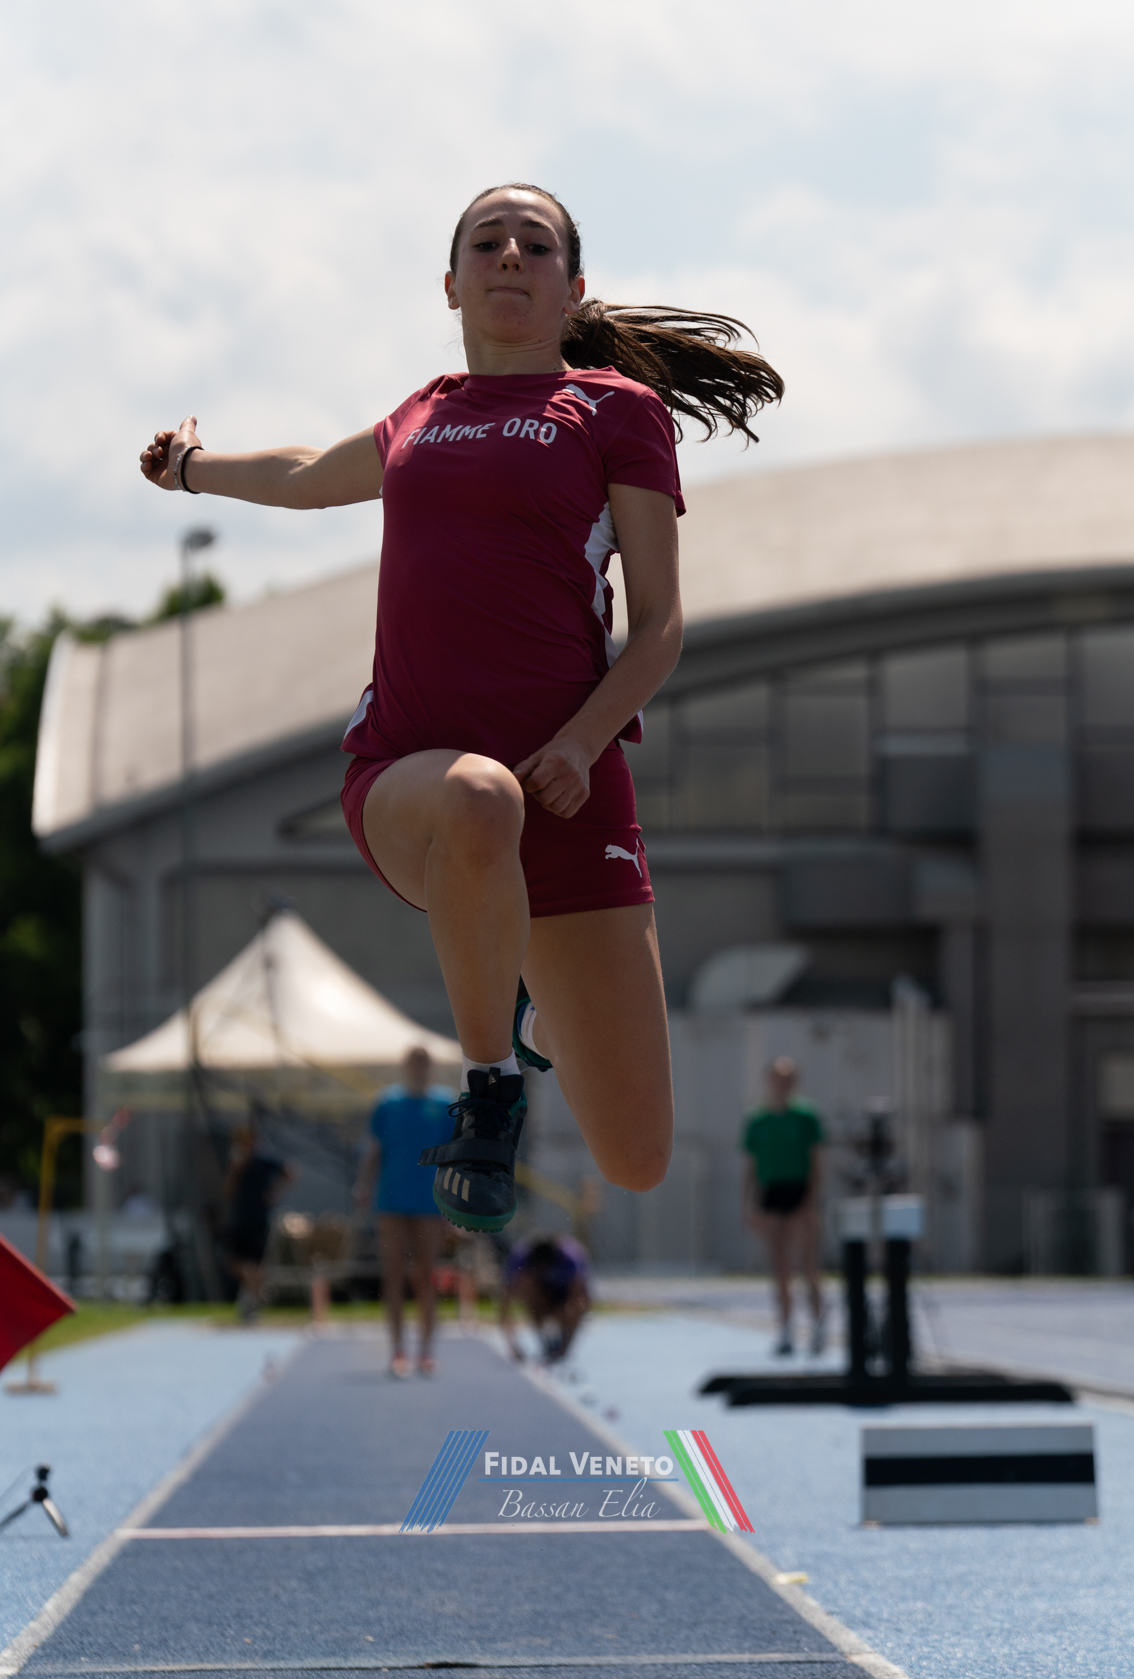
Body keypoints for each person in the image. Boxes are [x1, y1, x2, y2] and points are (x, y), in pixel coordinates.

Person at [141, 183, 782, 1238]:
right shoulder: (420, 415)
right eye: (488, 242)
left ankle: (528, 1002)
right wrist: (190, 469)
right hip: (415, 780)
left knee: (636, 1157)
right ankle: (489, 1091)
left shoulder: (617, 412)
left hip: (568, 787)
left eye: (536, 244)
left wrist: (580, 743)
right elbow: (305, 474)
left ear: (573, 288)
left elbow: (661, 624)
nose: (510, 255)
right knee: (481, 800)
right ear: (451, 284)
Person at [354, 1046, 454, 1377]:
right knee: (393, 1275)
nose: (419, 1068)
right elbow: (374, 1149)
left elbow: (452, 1155)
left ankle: (426, 1352)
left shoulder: (443, 1104)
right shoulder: (388, 1103)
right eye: (414, 1062)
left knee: (426, 1276)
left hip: (430, 1203)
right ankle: (398, 1350)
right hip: (392, 1201)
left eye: (424, 1063)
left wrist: (456, 1200)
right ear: (405, 1066)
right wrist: (364, 1185)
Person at [742, 1058, 826, 1357]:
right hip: (770, 1195)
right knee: (780, 1268)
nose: (783, 1084)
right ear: (768, 1081)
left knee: (808, 1265)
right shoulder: (757, 1120)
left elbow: (816, 1163)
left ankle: (817, 1326)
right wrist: (749, 1205)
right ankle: (785, 1329)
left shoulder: (806, 1116)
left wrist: (810, 1201)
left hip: (799, 1193)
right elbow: (750, 1167)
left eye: (788, 1079)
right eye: (778, 1078)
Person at [222, 1124, 295, 1322]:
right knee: (234, 1262)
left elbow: (290, 1172)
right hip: (240, 1219)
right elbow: (228, 1190)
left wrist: (274, 1192)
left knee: (256, 1263)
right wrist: (236, 1169)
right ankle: (256, 1293)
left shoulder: (263, 1162)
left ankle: (254, 1302)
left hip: (258, 1218)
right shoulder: (238, 1164)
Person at [500, 1233, 590, 1363]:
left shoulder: (571, 1258)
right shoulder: (520, 1259)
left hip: (565, 1292)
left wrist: (565, 1318)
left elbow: (581, 1299)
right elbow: (504, 1307)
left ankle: (563, 1350)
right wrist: (513, 1346)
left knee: (576, 1308)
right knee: (527, 1285)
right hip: (540, 1291)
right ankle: (544, 1338)